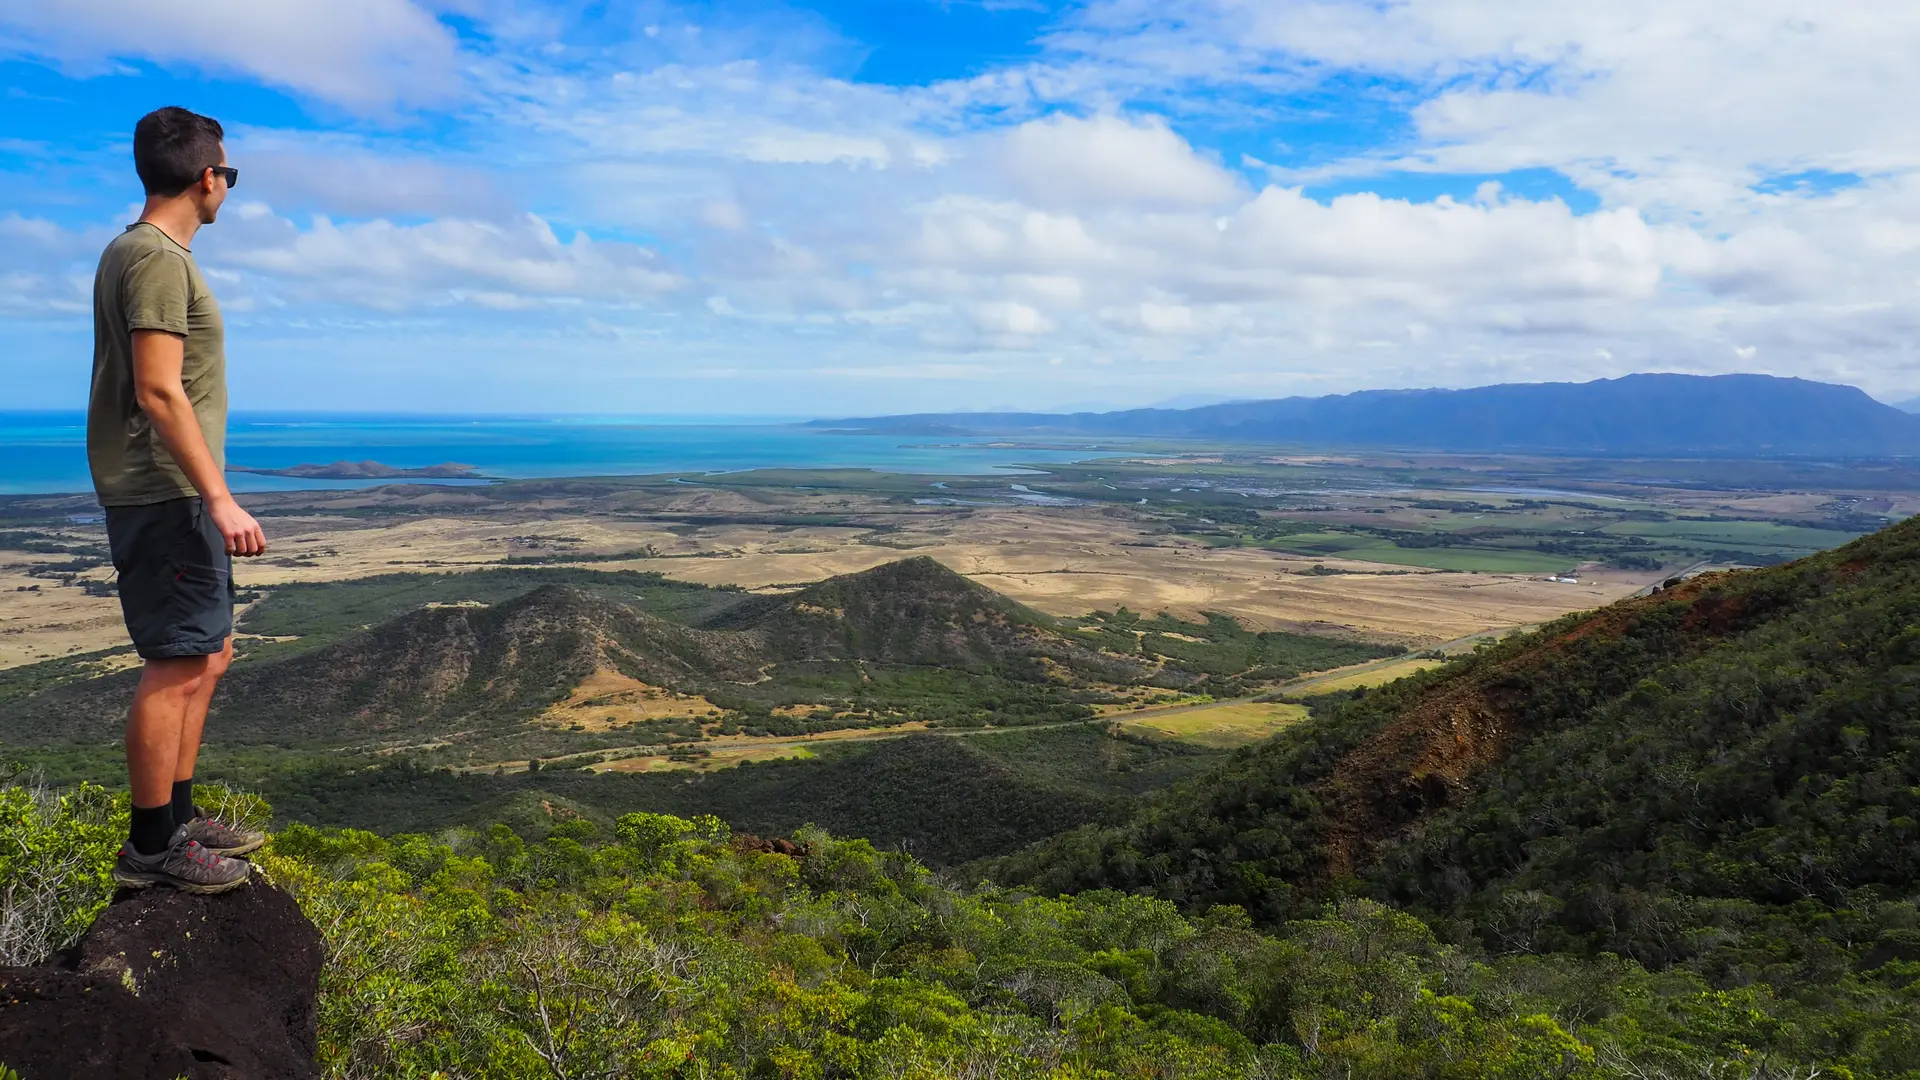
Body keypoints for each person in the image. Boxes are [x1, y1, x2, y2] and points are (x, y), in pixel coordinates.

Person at [90, 107, 265, 893]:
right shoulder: (157, 258)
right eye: (227, 173)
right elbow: (160, 390)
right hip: (166, 491)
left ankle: (181, 818)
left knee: (209, 653)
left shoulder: (140, 252)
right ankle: (151, 848)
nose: (226, 186)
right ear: (207, 178)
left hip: (171, 491)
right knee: (176, 662)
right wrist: (219, 498)